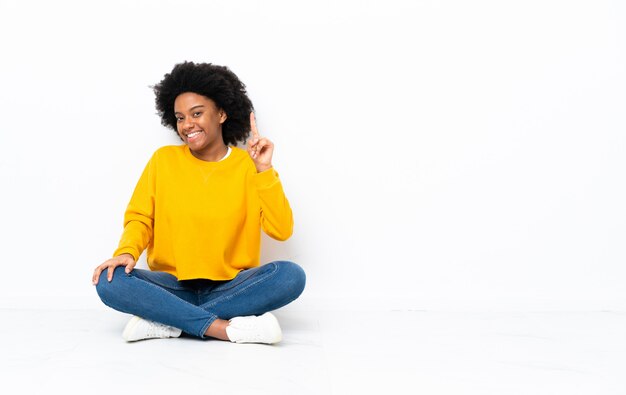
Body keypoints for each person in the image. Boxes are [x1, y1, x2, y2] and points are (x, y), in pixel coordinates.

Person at [92, 61, 306, 344]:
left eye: (197, 113)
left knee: (291, 276)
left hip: (230, 286)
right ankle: (223, 329)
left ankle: (168, 321)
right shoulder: (163, 160)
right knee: (111, 281)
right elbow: (140, 218)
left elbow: (281, 230)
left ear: (221, 113)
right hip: (173, 286)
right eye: (180, 117)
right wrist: (127, 252)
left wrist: (264, 170)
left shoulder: (248, 166)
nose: (187, 124)